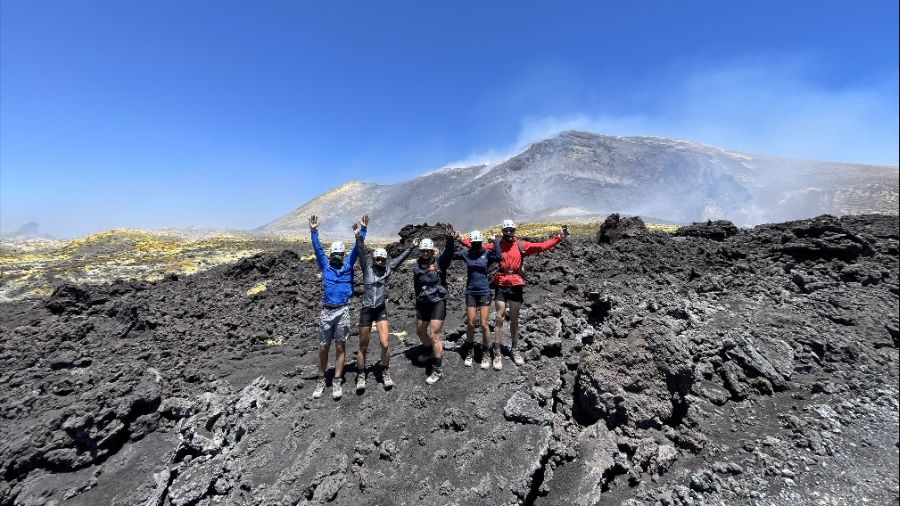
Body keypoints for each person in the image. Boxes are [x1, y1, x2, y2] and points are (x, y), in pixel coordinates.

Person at [461, 219, 568, 369]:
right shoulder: (497, 245)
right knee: (499, 316)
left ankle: (515, 348)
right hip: (501, 283)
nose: (509, 232)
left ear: (514, 231)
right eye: (506, 230)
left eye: (511, 230)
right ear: (502, 231)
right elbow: (478, 246)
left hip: (516, 283)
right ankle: (496, 350)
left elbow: (542, 246)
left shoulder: (522, 245)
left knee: (514, 319)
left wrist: (559, 238)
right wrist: (462, 240)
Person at [355, 217, 417, 392]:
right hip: (366, 310)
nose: (381, 262)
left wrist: (411, 246)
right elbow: (360, 251)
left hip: (380, 309)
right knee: (363, 345)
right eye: (378, 259)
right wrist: (359, 235)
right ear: (374, 259)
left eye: (383, 260)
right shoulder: (367, 270)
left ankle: (385, 371)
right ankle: (361, 374)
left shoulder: (388, 270)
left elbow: (399, 260)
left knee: (384, 343)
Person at [309, 214, 367, 400]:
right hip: (327, 311)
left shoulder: (348, 266)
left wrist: (362, 230)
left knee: (340, 347)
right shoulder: (325, 266)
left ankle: (336, 380)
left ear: (342, 255)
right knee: (324, 346)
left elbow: (357, 251)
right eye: (334, 254)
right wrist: (313, 231)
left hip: (342, 310)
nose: (337, 257)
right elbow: (317, 249)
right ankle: (320, 379)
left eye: (339, 255)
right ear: (331, 254)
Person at [412, 224, 455, 384]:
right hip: (423, 302)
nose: (425, 253)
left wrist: (450, 238)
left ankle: (437, 369)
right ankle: (431, 350)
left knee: (434, 333)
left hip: (437, 301)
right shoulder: (416, 265)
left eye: (427, 251)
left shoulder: (439, 263)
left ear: (432, 251)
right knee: (420, 332)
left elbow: (448, 253)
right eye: (422, 251)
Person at [452, 230, 501, 369]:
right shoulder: (466, 254)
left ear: (481, 242)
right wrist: (452, 239)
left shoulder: (486, 254)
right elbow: (450, 255)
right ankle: (469, 350)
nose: (475, 245)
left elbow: (498, 257)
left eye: (478, 243)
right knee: (471, 323)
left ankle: (486, 351)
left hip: (484, 291)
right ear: (471, 243)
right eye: (473, 243)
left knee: (484, 324)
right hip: (471, 292)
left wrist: (494, 241)